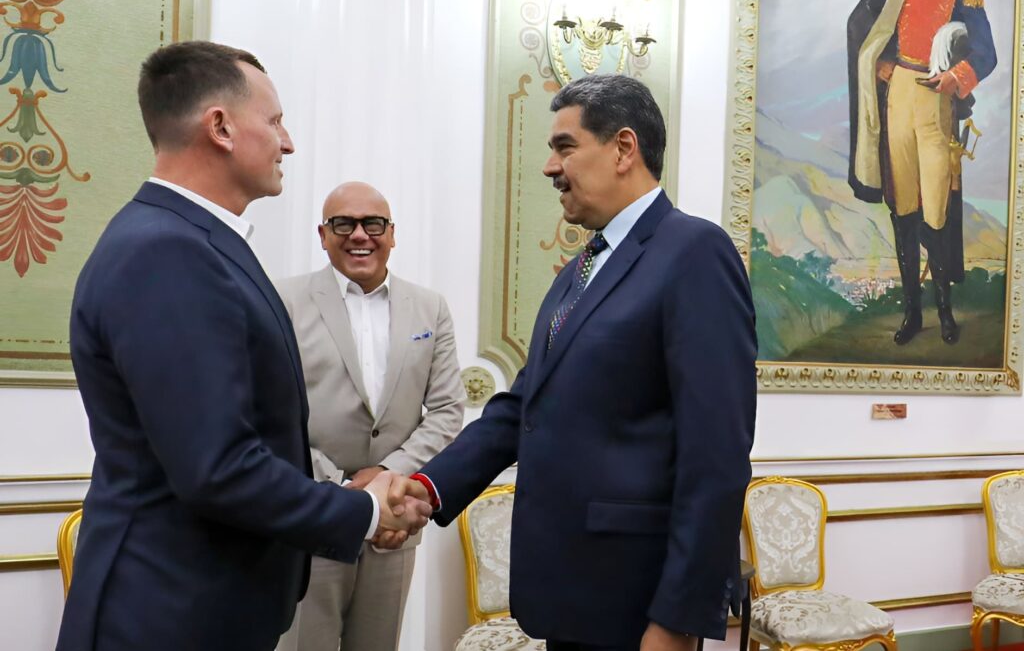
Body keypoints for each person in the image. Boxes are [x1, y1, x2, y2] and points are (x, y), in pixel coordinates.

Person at [55, 41, 429, 651]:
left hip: (203, 604)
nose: (287, 143)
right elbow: (217, 467)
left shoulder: (191, 240)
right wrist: (358, 511)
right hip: (168, 614)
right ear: (221, 128)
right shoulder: (167, 251)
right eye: (276, 121)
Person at [396, 74, 757, 650]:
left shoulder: (694, 252)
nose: (549, 166)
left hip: (636, 607)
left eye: (564, 146)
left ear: (622, 148)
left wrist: (677, 618)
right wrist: (429, 488)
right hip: (568, 595)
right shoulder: (579, 271)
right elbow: (521, 407)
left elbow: (716, 454)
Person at [275, 181, 466, 651]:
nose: (359, 234)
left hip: (396, 522)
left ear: (392, 233)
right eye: (344, 223)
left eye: (372, 224)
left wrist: (385, 477)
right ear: (323, 234)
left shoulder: (430, 307)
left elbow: (446, 410)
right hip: (311, 515)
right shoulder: (282, 300)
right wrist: (342, 489)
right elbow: (274, 415)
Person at [848, 0, 996, 346]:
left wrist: (956, 78)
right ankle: (912, 314)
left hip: (936, 104)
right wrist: (878, 62)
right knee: (904, 209)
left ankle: (944, 312)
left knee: (936, 210)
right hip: (898, 99)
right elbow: (862, 28)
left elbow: (986, 54)